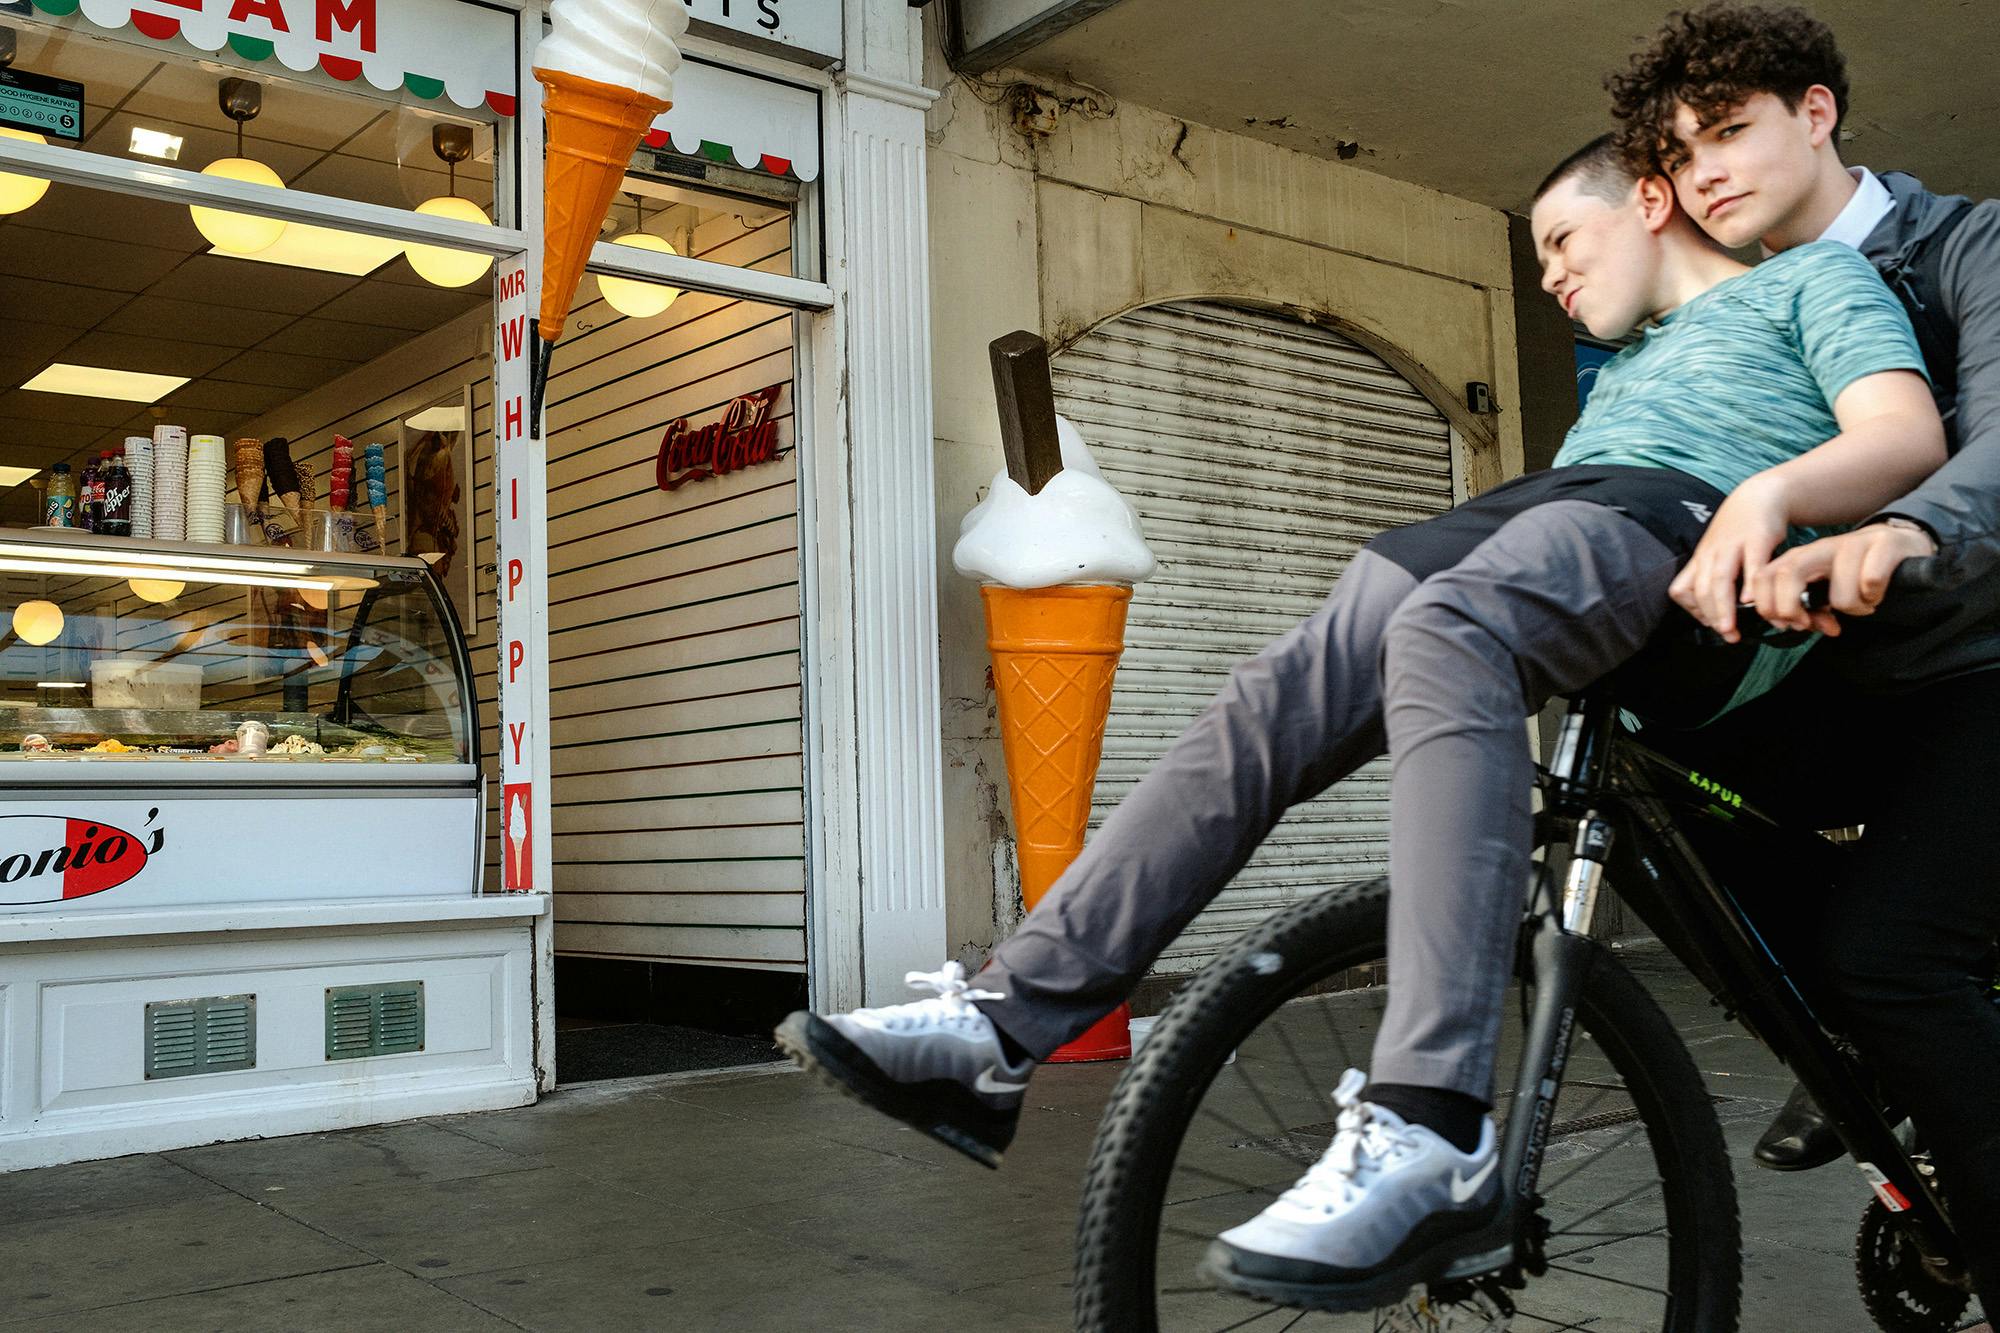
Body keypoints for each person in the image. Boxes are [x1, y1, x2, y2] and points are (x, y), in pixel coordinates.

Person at [777, 138, 1943, 1307]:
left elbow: (1902, 438)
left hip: (1696, 528)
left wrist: (1768, 497)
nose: (1546, 276)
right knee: (1281, 682)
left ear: (1648, 200)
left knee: (1452, 626)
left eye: (1559, 241)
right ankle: (1004, 1019)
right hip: (1561, 511)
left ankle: (1428, 1119)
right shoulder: (1619, 366)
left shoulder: (1806, 280)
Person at [1605, 2, 2000, 1300]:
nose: (1706, 169)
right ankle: (1854, 1050)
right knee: (1645, 749)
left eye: (1730, 130)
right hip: (1849, 684)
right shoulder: (1725, 313)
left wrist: (1902, 530)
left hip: (1981, 672)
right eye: (1681, 153)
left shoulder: (1965, 247)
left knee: (1895, 951)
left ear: (1816, 112)